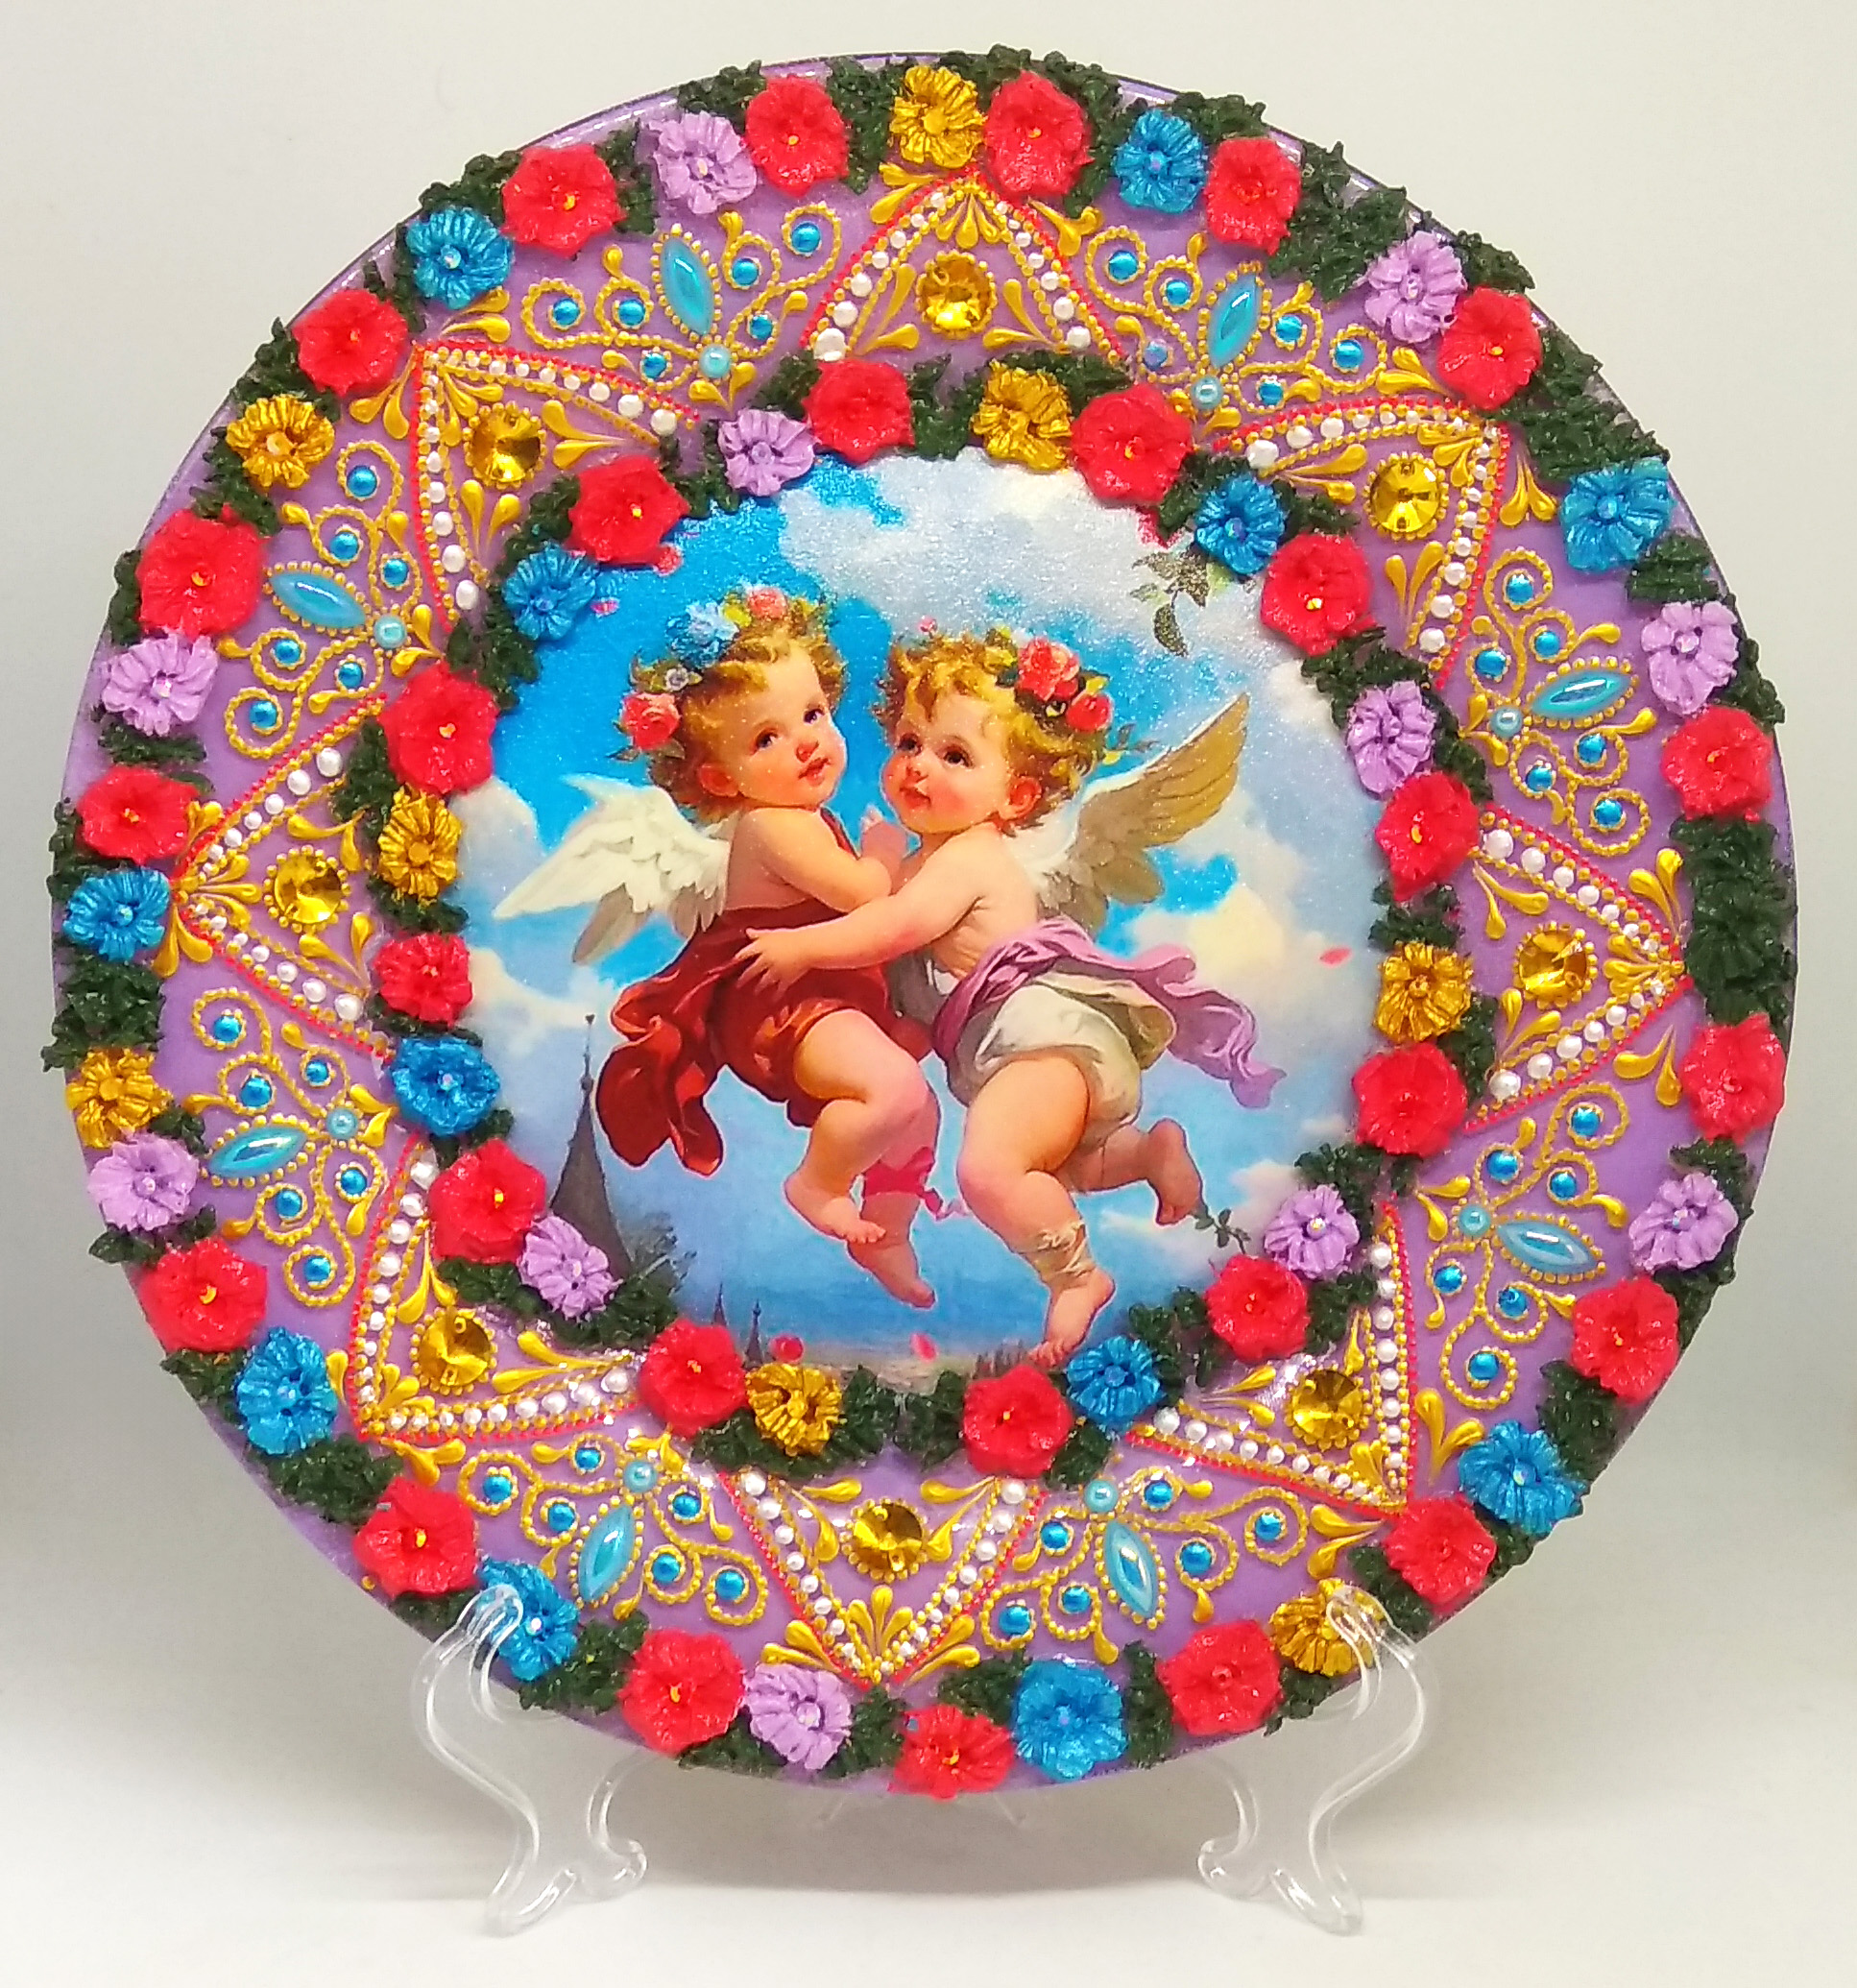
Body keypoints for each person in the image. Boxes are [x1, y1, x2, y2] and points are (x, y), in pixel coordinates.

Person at [739, 627, 1279, 1363]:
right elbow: (906, 971)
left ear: (1016, 794)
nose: (918, 766)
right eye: (908, 743)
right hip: (1024, 1052)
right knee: (1064, 1170)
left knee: (989, 1172)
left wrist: (804, 946)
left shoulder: (968, 858)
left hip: (1040, 1040)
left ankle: (1077, 1279)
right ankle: (1147, 1153)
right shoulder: (927, 862)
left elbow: (895, 928)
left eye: (955, 756)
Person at [597, 589, 938, 1307]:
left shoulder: (805, 818)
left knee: (917, 1112)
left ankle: (889, 1232)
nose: (806, 742)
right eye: (765, 739)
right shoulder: (770, 826)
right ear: (721, 778)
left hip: (818, 995)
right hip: (781, 1004)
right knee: (896, 1090)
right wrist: (884, 850)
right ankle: (817, 1183)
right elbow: (865, 894)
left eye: (813, 715)